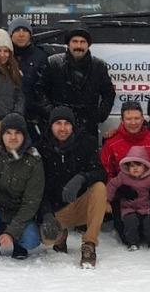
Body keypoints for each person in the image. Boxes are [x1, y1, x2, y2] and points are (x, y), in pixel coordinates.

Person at [36, 106, 107, 269]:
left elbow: (101, 172)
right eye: (58, 123)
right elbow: (38, 187)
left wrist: (81, 178)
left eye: (67, 123)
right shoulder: (40, 148)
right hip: (56, 210)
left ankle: (89, 244)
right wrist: (46, 214)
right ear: (51, 126)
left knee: (99, 187)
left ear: (73, 126)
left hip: (81, 203)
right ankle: (61, 237)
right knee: (47, 239)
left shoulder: (86, 142)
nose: (62, 128)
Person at [0, 113, 45, 265]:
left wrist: (12, 232)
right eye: (8, 133)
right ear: (1, 134)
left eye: (17, 133)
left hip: (19, 213)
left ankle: (19, 243)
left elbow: (31, 201)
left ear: (24, 135)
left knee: (31, 239)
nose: (13, 137)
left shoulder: (34, 160)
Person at [35, 27, 115, 138]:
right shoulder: (53, 63)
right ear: (68, 44)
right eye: (75, 41)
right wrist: (52, 114)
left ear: (88, 45)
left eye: (82, 42)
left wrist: (100, 115)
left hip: (88, 126)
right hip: (59, 126)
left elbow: (109, 93)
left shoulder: (99, 66)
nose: (78, 46)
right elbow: (40, 90)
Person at [106, 146, 150, 250]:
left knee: (149, 223)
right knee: (130, 222)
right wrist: (107, 200)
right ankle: (132, 242)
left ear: (145, 166)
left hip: (146, 208)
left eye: (138, 165)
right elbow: (112, 185)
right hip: (129, 208)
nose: (135, 168)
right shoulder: (123, 176)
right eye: (132, 166)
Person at [100, 101, 150, 179]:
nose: (133, 123)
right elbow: (107, 173)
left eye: (137, 118)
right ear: (122, 120)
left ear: (142, 119)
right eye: (128, 119)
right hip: (121, 188)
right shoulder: (111, 143)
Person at [9, 17, 48, 141]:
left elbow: (45, 88)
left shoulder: (40, 56)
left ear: (30, 35)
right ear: (10, 34)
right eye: (17, 30)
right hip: (7, 116)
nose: (21, 34)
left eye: (25, 30)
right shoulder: (4, 55)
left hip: (34, 118)